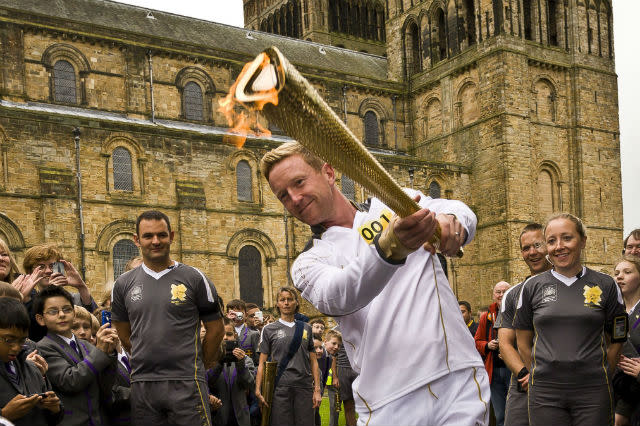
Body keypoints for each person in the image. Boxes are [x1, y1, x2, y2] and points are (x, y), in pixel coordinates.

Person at [261, 142, 488, 426]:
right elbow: (341, 293)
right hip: (387, 400)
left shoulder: (394, 202)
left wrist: (451, 222)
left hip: (455, 380)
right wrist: (392, 244)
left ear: (329, 173)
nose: (294, 198)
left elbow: (458, 210)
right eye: (283, 195)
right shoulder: (308, 262)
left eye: (299, 182)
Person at [111, 210, 224, 426]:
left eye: (162, 235)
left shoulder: (194, 278)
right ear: (137, 240)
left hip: (187, 382)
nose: (155, 241)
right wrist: (147, 357)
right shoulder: (123, 284)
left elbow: (216, 329)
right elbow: (125, 334)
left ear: (171, 236)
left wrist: (202, 363)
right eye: (148, 236)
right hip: (144, 383)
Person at [514, 213, 628, 426]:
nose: (559, 246)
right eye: (551, 241)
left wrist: (603, 372)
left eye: (567, 238)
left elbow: (618, 336)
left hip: (593, 392)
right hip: (546, 395)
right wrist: (540, 375)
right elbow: (522, 341)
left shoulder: (606, 284)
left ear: (583, 240)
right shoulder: (532, 287)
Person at [35, 286, 118, 426]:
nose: (61, 314)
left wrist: (110, 352)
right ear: (41, 319)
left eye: (67, 309)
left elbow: (106, 385)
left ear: (73, 313)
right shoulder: (44, 347)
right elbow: (70, 380)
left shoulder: (87, 346)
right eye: (53, 311)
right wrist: (100, 352)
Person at [496, 223, 552, 426]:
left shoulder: (569, 286)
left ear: (550, 245)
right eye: (526, 248)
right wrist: (524, 374)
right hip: (523, 386)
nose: (532, 252)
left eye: (538, 245)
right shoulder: (513, 294)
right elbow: (505, 343)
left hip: (561, 384)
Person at [255, 287, 322, 426]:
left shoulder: (306, 328)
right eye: (282, 300)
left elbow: (314, 361)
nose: (286, 303)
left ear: (296, 303)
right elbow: (262, 363)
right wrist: (258, 390)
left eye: (290, 299)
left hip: (304, 387)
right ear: (277, 304)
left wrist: (317, 390)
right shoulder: (268, 329)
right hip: (280, 387)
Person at [0, 297, 62, 426]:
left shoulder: (32, 369)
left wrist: (55, 408)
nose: (16, 348)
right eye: (9, 340)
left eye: (22, 341)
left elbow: (54, 419)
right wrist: (5, 415)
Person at [18, 244, 97, 342]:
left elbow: (94, 321)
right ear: (30, 272)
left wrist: (82, 287)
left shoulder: (73, 298)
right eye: (41, 267)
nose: (48, 271)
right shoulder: (28, 300)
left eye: (52, 266)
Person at [474, 281, 510, 426]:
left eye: (505, 291)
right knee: (500, 414)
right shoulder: (486, 317)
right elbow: (477, 341)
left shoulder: (518, 311)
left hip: (513, 369)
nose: (501, 295)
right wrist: (488, 345)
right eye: (498, 292)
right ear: (493, 295)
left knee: (516, 411)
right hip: (493, 370)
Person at [208, 317, 256, 426]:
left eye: (229, 334)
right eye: (221, 334)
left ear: (235, 336)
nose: (225, 338)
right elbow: (208, 382)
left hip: (239, 418)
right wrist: (219, 363)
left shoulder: (246, 359)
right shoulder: (209, 360)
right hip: (217, 416)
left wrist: (240, 364)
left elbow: (249, 384)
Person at [613, 255, 640, 426]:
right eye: (616, 273)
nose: (619, 276)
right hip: (616, 392)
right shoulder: (614, 311)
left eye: (627, 272)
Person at [226, 299, 260, 367]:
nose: (236, 317)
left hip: (247, 371)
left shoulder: (253, 334)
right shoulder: (222, 334)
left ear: (246, 315)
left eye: (239, 314)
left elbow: (258, 361)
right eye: (232, 314)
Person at [323, 330, 342, 426]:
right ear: (325, 341)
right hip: (333, 384)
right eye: (334, 343)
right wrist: (334, 378)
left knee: (336, 407)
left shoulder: (331, 354)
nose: (336, 347)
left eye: (338, 345)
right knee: (334, 407)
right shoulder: (320, 352)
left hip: (340, 382)